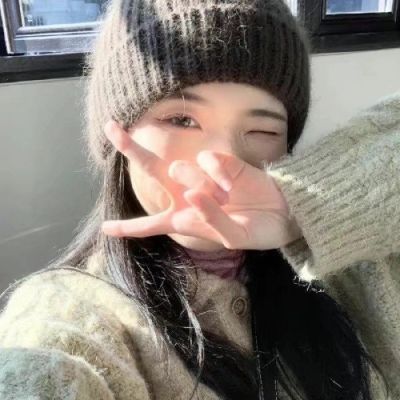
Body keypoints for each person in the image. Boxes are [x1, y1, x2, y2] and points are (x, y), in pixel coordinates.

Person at [0, 0, 398, 399]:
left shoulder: (353, 262)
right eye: (181, 120)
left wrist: (303, 207)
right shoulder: (70, 313)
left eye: (262, 131)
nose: (221, 161)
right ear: (118, 137)